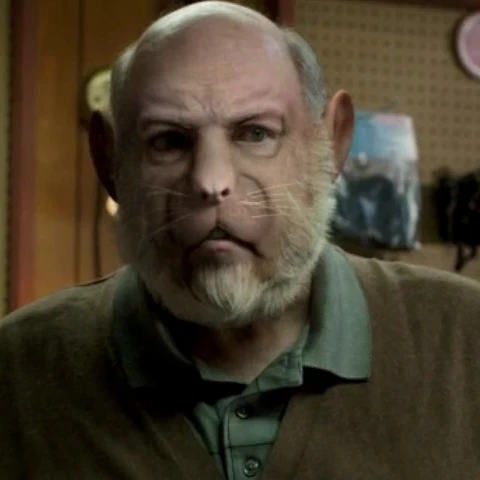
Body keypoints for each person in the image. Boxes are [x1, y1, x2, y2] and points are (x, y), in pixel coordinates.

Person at [1, 2, 480, 478]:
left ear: (332, 141)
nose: (211, 181)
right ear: (110, 163)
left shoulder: (465, 340)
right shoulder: (19, 370)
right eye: (169, 140)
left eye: (255, 133)